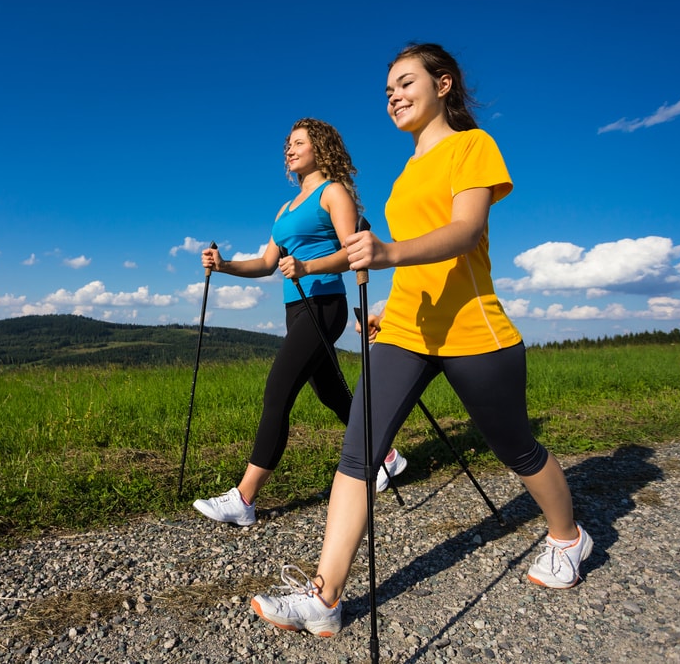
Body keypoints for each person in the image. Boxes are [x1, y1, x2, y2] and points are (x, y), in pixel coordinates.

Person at [250, 43, 594, 637]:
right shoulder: (407, 170)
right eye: (387, 91)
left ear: (444, 84)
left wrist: (385, 252)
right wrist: (389, 298)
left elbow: (464, 233)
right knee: (357, 454)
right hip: (407, 329)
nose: (394, 97)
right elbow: (416, 262)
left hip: (472, 329)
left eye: (406, 83)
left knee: (517, 450)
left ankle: (569, 537)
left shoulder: (472, 146)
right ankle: (325, 597)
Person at [192, 117, 408, 528]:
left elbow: (353, 252)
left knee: (278, 390)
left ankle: (245, 498)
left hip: (325, 303)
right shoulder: (286, 208)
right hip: (297, 309)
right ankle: (387, 457)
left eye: (298, 143)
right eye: (287, 145)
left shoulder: (334, 193)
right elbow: (267, 263)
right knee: (331, 393)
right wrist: (224, 266)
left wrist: (308, 265)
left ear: (320, 148)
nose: (289, 150)